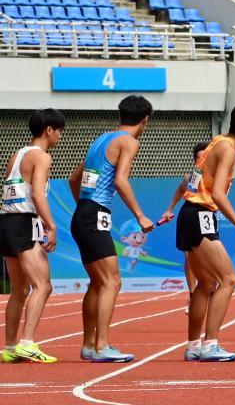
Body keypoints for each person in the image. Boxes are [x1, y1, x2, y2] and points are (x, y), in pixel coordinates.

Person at [69, 95, 154, 363]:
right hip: (93, 215)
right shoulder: (129, 141)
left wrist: (85, 206)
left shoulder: (101, 139)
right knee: (111, 281)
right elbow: (120, 180)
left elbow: (74, 178)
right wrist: (140, 215)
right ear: (145, 120)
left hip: (84, 213)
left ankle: (89, 345)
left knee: (98, 282)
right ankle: (101, 346)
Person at [177, 103, 235, 362]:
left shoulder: (216, 141)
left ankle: (194, 345)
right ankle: (211, 344)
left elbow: (194, 182)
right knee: (229, 280)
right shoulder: (227, 149)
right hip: (200, 213)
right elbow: (216, 194)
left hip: (190, 213)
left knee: (206, 283)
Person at [1, 109, 64, 363]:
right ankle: (27, 342)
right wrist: (51, 226)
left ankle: (9, 347)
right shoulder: (42, 157)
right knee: (43, 285)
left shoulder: (16, 155)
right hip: (25, 222)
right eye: (60, 131)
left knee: (19, 289)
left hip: (6, 221)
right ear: (49, 130)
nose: (60, 136)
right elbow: (38, 195)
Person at [160, 141, 209, 298]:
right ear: (195, 161)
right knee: (189, 256)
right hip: (190, 215)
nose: (202, 160)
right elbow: (181, 189)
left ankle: (206, 288)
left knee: (207, 256)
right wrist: (169, 210)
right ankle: (192, 293)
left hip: (207, 216)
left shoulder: (218, 174)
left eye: (206, 157)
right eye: (199, 158)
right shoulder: (191, 177)